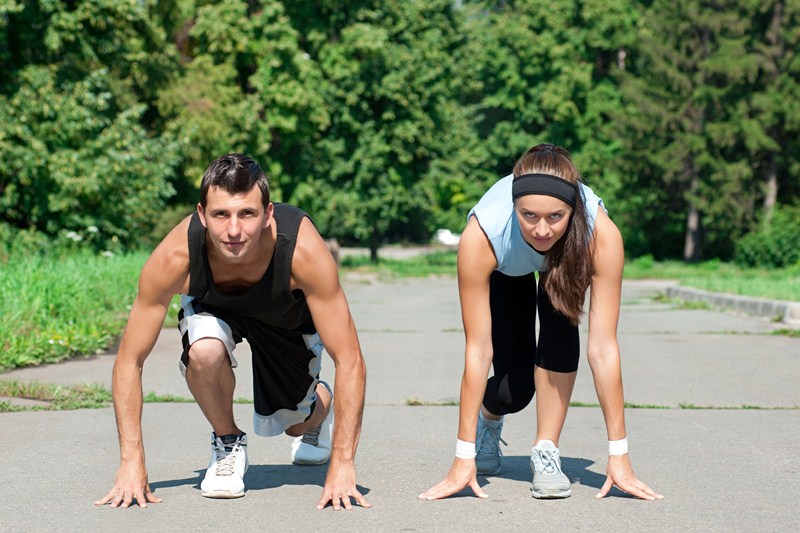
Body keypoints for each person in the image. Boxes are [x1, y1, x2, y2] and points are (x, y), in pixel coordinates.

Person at [95, 153, 370, 510]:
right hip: (214, 308)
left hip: (284, 320)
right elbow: (129, 361)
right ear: (202, 214)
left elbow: (350, 361)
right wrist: (131, 463)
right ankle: (228, 441)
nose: (234, 230)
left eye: (247, 214)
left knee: (294, 425)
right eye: (221, 214)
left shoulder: (302, 250)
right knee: (203, 351)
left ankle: (318, 409)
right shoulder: (176, 258)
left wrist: (343, 464)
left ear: (268, 214)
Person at [419, 144, 662, 502]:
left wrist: (619, 455)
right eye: (529, 215)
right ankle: (489, 419)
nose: (542, 230)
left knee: (560, 330)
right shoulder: (484, 235)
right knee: (513, 390)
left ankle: (546, 450)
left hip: (568, 254)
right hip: (507, 268)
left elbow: (603, 349)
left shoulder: (600, 235)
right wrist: (462, 456)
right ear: (514, 206)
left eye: (555, 216)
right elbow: (478, 350)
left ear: (573, 210)